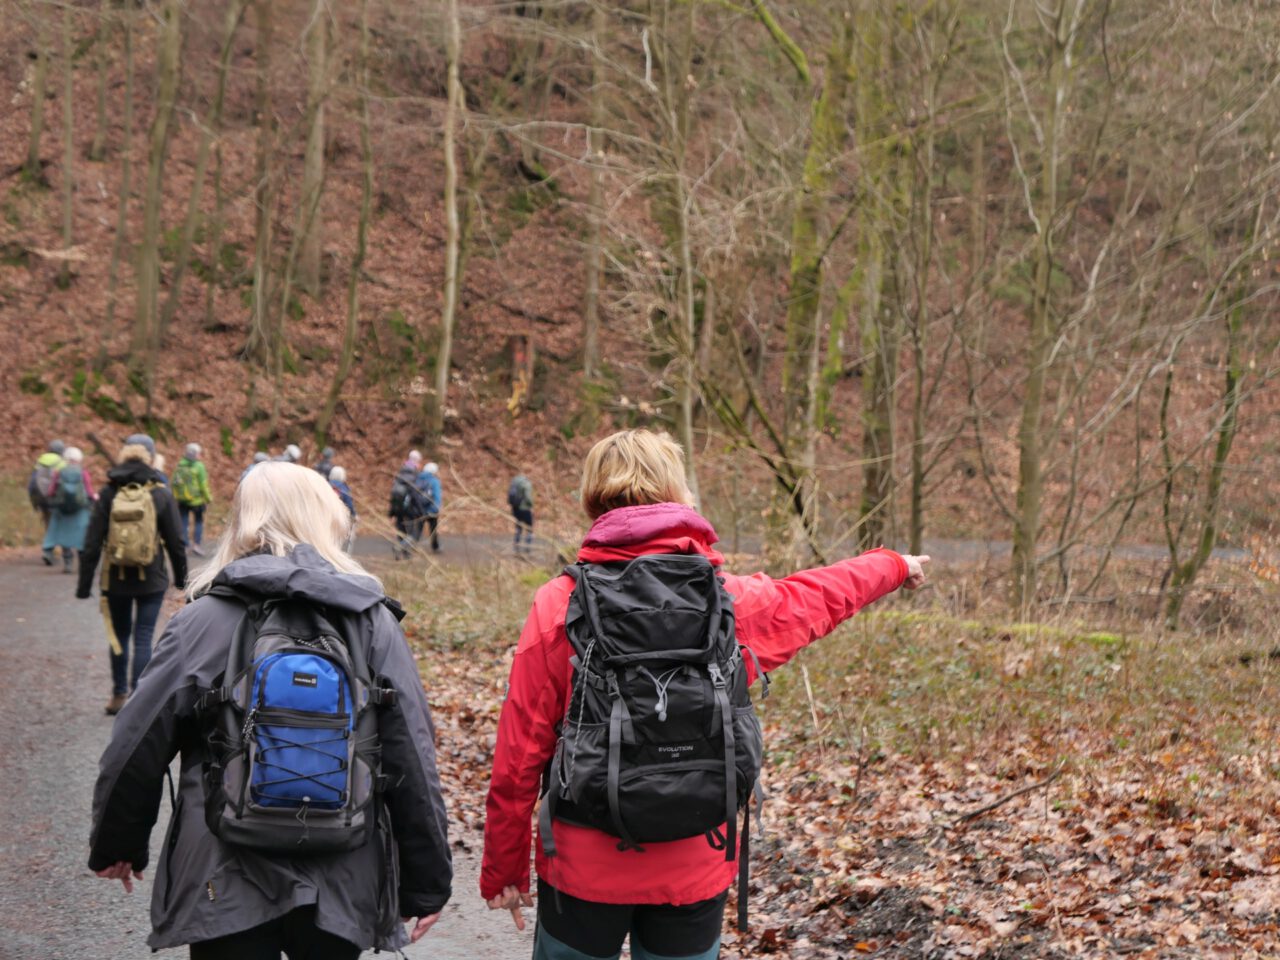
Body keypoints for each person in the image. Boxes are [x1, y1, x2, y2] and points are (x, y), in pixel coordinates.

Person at [480, 429, 929, 960]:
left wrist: (504, 869)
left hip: (584, 865)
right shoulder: (728, 602)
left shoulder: (560, 603)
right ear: (677, 494)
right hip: (695, 859)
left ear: (594, 498)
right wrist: (895, 565)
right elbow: (816, 596)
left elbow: (520, 753)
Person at [88, 462, 452, 958]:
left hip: (223, 871)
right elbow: (412, 752)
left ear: (243, 521)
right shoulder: (374, 624)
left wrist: (118, 844)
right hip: (341, 876)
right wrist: (426, 881)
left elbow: (135, 745)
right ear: (328, 520)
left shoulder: (200, 621)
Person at [76, 434, 188, 715]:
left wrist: (84, 584)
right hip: (151, 579)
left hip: (115, 579)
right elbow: (176, 541)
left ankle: (117, 695)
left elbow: (91, 542)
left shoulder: (110, 491)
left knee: (120, 635)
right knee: (144, 635)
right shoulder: (159, 491)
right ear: (151, 457)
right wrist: (182, 580)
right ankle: (139, 698)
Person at [42, 445, 96, 573]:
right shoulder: (83, 473)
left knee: (65, 536)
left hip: (62, 509)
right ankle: (83, 564)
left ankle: (68, 563)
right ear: (79, 459)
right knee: (82, 536)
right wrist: (93, 500)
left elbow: (51, 491)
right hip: (80, 509)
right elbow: (89, 492)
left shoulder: (59, 473)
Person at [172, 442, 214, 557]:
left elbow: (174, 482)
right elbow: (203, 484)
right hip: (197, 501)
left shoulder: (180, 465)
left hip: (182, 500)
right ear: (195, 454)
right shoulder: (199, 466)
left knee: (183, 522)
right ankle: (196, 545)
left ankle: (185, 545)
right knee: (199, 522)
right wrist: (208, 498)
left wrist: (176, 497)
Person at [388, 450, 426, 560]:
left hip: (398, 506)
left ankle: (403, 554)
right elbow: (414, 493)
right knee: (413, 532)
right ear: (417, 461)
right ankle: (401, 548)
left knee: (401, 529)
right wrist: (421, 509)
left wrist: (391, 511)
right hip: (409, 507)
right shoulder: (413, 474)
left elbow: (393, 492)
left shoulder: (400, 473)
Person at [28, 438, 66, 538]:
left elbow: (33, 479)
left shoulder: (40, 460)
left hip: (39, 494)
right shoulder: (61, 462)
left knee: (46, 515)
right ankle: (58, 542)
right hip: (53, 496)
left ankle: (49, 542)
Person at [417, 461, 442, 553]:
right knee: (433, 529)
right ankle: (435, 547)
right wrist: (437, 507)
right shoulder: (434, 481)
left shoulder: (418, 479)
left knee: (418, 529)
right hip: (432, 509)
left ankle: (412, 545)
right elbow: (437, 496)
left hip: (420, 508)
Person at [507, 473, 534, 554]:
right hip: (525, 509)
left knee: (518, 527)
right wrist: (531, 505)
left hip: (516, 508)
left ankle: (516, 544)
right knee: (529, 528)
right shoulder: (526, 484)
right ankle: (528, 546)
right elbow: (528, 497)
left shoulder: (514, 481)